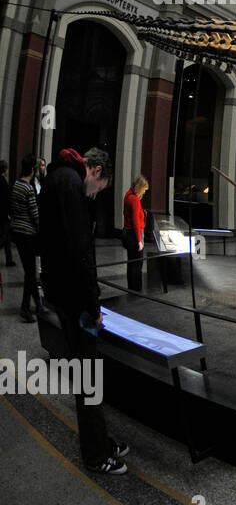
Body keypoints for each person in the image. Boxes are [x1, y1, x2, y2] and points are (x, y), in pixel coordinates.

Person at [37, 147, 129, 474]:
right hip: (77, 300)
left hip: (59, 292)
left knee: (84, 371)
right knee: (88, 374)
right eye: (99, 188)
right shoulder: (73, 186)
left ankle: (101, 439)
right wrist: (94, 305)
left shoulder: (54, 178)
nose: (95, 195)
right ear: (95, 170)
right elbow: (80, 253)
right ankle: (95, 453)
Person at [10, 154, 41, 321]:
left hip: (17, 231)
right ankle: (25, 307)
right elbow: (35, 215)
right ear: (33, 169)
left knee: (30, 271)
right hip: (28, 233)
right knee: (30, 273)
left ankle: (38, 303)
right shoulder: (28, 188)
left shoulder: (16, 184)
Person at [123, 174, 148, 291]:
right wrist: (139, 240)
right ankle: (136, 289)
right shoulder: (134, 199)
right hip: (134, 235)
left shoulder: (128, 195)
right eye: (143, 190)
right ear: (140, 187)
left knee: (131, 263)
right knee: (137, 265)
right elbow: (135, 221)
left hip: (128, 233)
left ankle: (131, 288)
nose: (144, 193)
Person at [0, 159, 12, 266]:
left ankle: (9, 259)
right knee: (4, 237)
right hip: (4, 214)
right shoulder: (3, 182)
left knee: (7, 237)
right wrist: (8, 214)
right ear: (4, 170)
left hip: (3, 213)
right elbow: (5, 200)